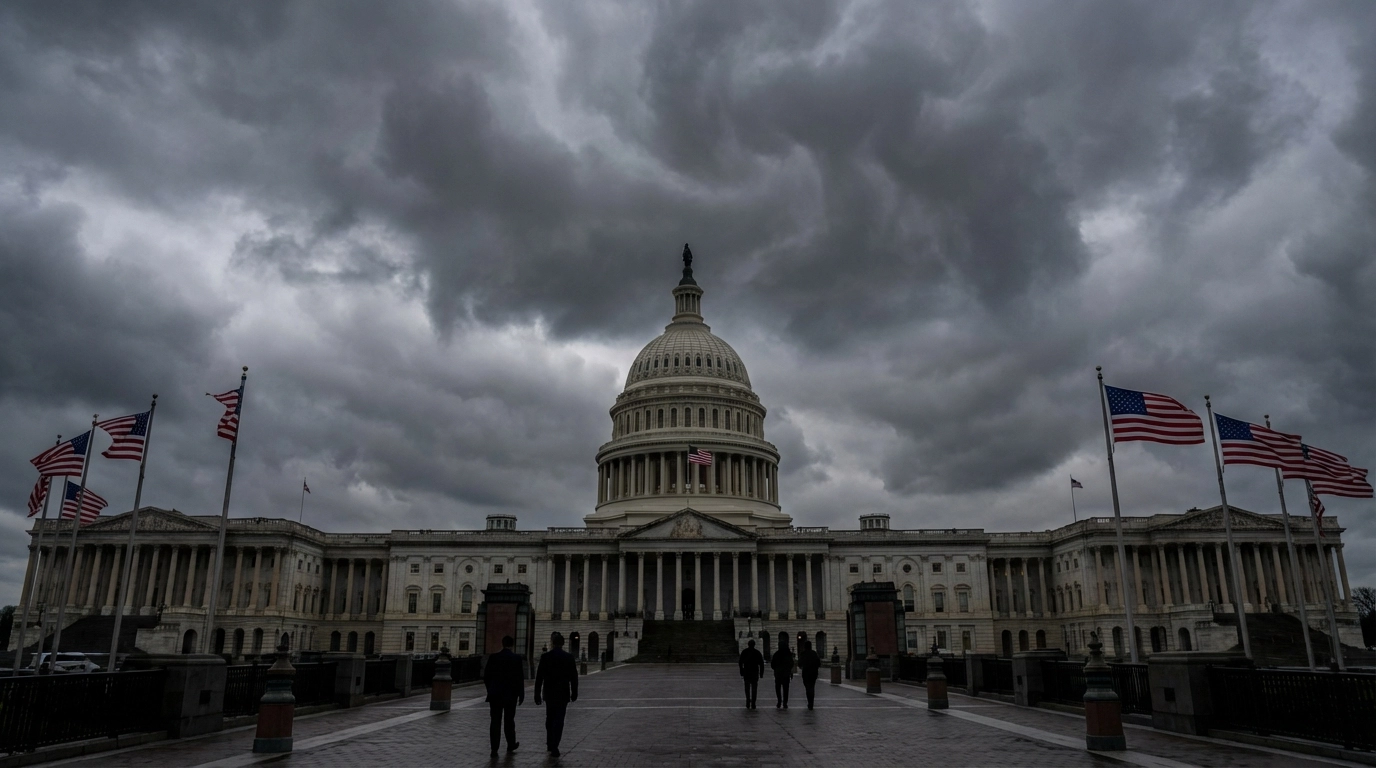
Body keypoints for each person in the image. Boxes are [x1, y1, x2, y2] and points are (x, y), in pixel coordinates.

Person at [534, 632, 579, 756]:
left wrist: (537, 694)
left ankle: (550, 742)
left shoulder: (545, 657)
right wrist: (574, 692)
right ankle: (555, 745)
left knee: (550, 718)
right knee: (559, 720)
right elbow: (574, 677)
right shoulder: (569, 657)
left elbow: (539, 678)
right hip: (563, 693)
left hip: (549, 692)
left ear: (553, 643)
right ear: (563, 643)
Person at [483, 635, 525, 757]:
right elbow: (519, 678)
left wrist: (490, 689)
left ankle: (494, 749)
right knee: (509, 720)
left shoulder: (493, 657)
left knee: (495, 721)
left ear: (502, 643)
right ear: (512, 645)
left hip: (495, 694)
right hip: (511, 695)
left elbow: (486, 676)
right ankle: (511, 744)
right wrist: (520, 694)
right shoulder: (516, 658)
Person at [738, 639, 765, 709]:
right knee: (754, 688)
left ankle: (748, 701)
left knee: (747, 688)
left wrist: (741, 671)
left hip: (747, 672)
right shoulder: (757, 652)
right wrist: (761, 673)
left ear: (748, 644)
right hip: (754, 672)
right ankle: (753, 703)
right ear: (754, 645)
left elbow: (740, 662)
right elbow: (761, 664)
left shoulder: (745, 652)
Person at [770, 640, 795, 709]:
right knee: (786, 689)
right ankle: (785, 703)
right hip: (786, 673)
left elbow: (772, 664)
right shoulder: (788, 654)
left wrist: (776, 668)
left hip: (778, 673)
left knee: (778, 688)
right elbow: (791, 664)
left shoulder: (777, 654)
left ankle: (779, 701)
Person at [799, 639, 822, 710]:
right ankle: (811, 703)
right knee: (812, 687)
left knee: (807, 688)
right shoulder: (814, 653)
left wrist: (802, 667)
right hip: (813, 673)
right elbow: (819, 664)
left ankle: (809, 702)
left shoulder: (803, 654)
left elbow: (799, 664)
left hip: (806, 673)